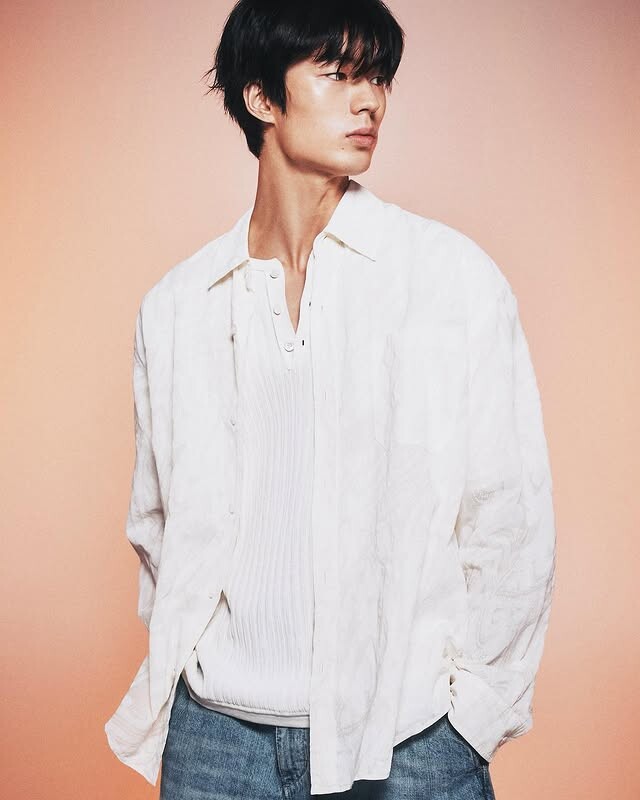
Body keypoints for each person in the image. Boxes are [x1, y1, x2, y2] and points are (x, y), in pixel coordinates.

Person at [104, 2, 557, 798]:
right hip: (217, 746)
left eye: (378, 77)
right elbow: (157, 524)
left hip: (407, 740)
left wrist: (474, 718)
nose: (369, 100)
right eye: (339, 74)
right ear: (261, 97)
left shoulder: (447, 280)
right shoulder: (178, 307)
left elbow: (509, 517)